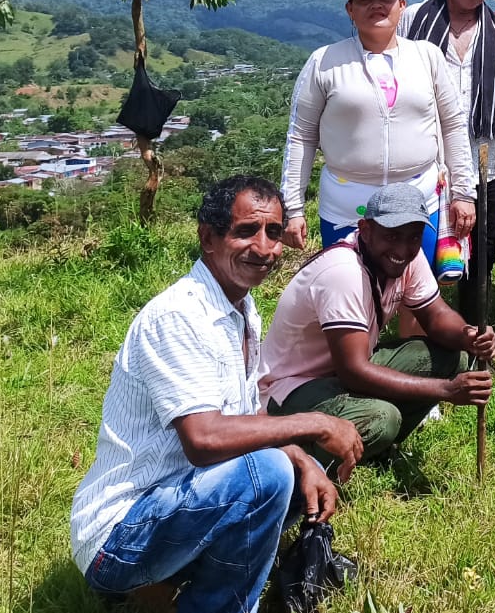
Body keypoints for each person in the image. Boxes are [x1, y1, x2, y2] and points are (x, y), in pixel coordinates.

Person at [70, 176, 363, 613]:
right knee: (267, 474)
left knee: (289, 476)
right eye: (246, 231)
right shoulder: (178, 316)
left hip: (174, 505)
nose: (264, 249)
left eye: (274, 232)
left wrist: (303, 458)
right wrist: (318, 424)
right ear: (208, 238)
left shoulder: (242, 310)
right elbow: (204, 441)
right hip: (118, 538)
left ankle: (168, 590)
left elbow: (243, 419)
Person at [259, 183, 495, 461]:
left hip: (338, 373)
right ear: (366, 230)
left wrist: (468, 335)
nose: (403, 248)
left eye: (413, 237)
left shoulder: (407, 257)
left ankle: (375, 449)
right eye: (392, 236)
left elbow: (436, 316)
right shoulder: (343, 272)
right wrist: (446, 390)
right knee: (383, 419)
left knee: (450, 357)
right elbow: (354, 371)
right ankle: (298, 457)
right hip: (290, 390)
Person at [281, 0, 476, 276]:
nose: (376, 5)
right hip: (347, 205)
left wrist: (464, 193)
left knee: (417, 293)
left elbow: (453, 125)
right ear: (350, 10)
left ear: (402, 5)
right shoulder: (324, 61)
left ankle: (412, 329)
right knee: (350, 289)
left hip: (419, 197)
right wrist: (292, 208)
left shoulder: (426, 56)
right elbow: (301, 136)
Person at [401, 0, 495, 326]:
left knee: (481, 248)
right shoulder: (413, 20)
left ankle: (472, 329)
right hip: (422, 155)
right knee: (418, 245)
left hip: (484, 157)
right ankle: (421, 333)